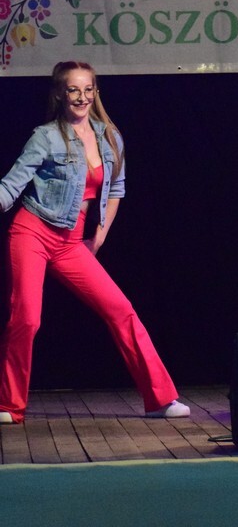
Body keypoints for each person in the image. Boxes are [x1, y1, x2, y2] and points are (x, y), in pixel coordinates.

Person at [0, 61, 189, 425]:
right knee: (26, 317)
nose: (82, 97)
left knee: (121, 309)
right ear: (60, 94)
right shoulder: (45, 137)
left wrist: (98, 238)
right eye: (74, 90)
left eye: (88, 89)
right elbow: (11, 185)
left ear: (96, 92)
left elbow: (116, 189)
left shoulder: (109, 137)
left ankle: (160, 399)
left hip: (72, 242)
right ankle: (9, 405)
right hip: (32, 232)